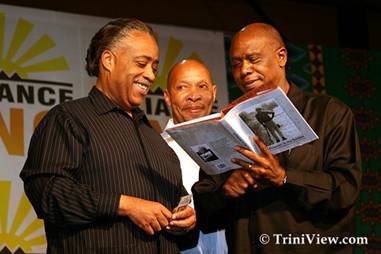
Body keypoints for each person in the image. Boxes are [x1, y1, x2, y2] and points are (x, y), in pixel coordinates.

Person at [20, 18, 197, 254]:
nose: (151, 75)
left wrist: (184, 221)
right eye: (142, 63)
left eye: (154, 67)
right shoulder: (69, 118)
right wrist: (124, 205)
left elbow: (176, 206)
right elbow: (47, 193)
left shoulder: (156, 140)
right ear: (108, 60)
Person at [192, 23, 362, 253]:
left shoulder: (329, 114)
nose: (244, 71)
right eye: (236, 64)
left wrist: (283, 177)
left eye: (253, 59)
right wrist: (225, 193)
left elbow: (345, 190)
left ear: (281, 56)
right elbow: (205, 214)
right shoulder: (227, 126)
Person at [162, 59, 228, 254]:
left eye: (202, 86)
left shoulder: (235, 146)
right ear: (167, 96)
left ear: (214, 92)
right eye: (183, 87)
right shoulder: (155, 150)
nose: (194, 96)